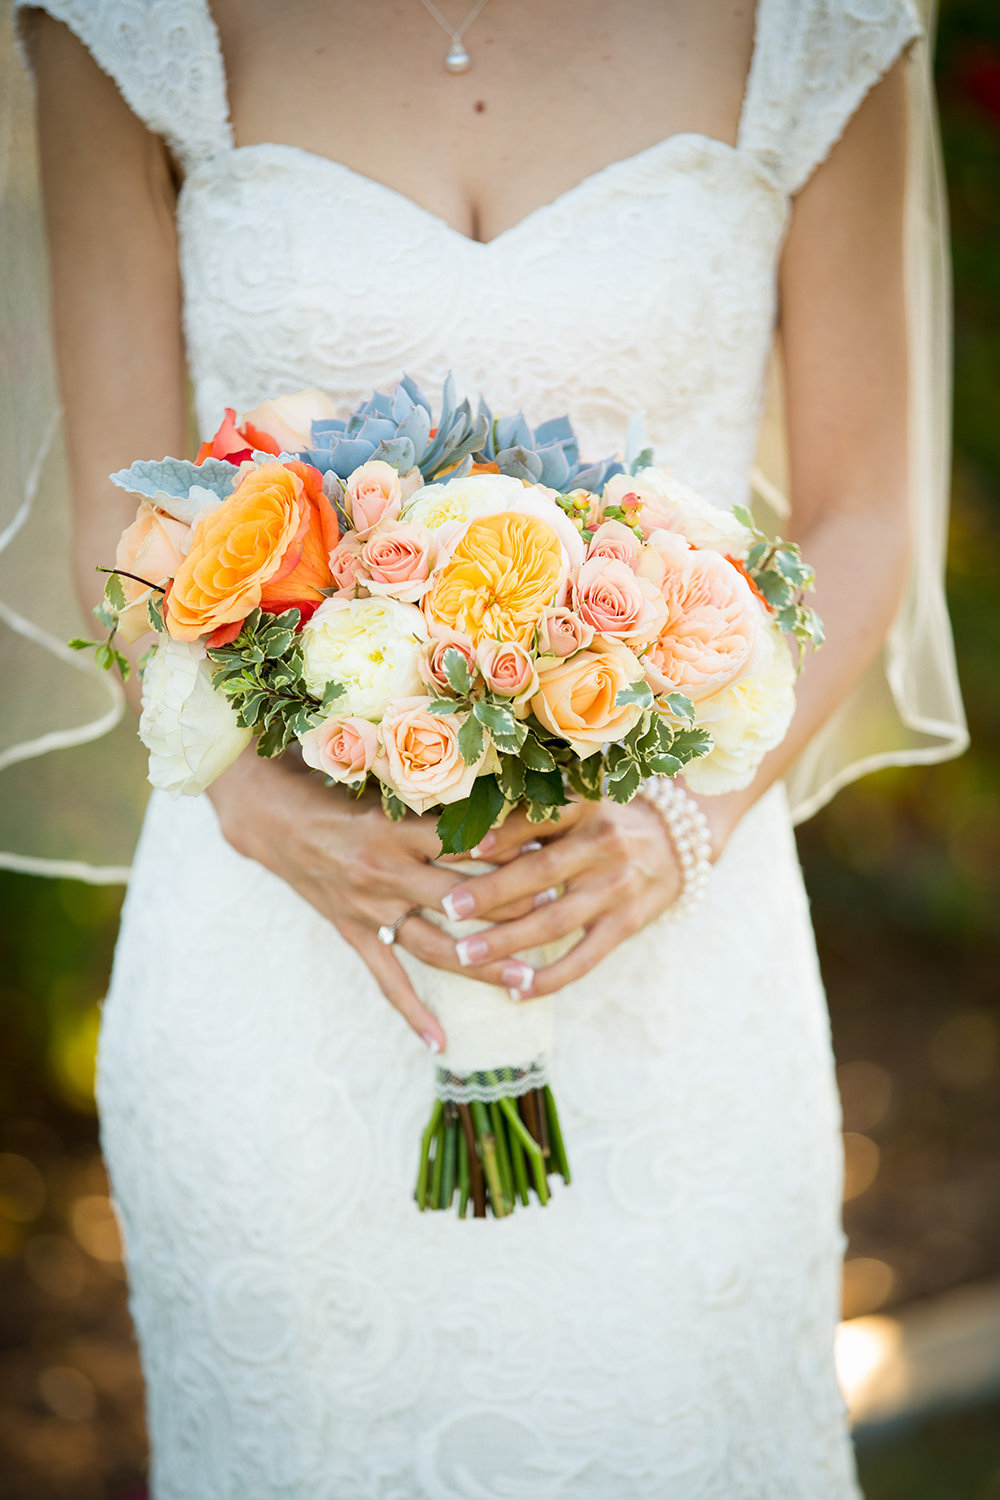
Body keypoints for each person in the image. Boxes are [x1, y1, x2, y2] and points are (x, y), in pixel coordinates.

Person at [9, 0, 966, 1494]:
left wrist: (677, 825)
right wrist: (257, 804)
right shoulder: (134, 26)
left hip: (667, 945)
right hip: (278, 945)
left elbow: (861, 513)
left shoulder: (819, 28)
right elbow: (119, 534)